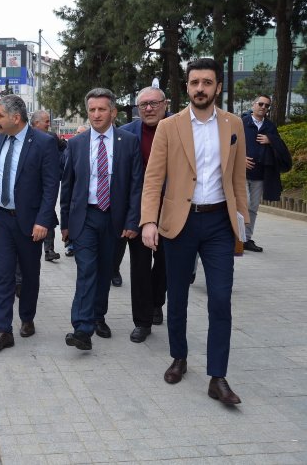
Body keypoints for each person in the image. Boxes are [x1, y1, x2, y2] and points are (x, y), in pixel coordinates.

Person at [141, 58, 248, 405]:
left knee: (220, 298)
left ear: (218, 87)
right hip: (180, 223)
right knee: (177, 296)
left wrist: (243, 224)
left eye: (207, 82)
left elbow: (238, 179)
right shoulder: (169, 126)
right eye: (194, 82)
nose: (200, 88)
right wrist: (149, 221)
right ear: (187, 87)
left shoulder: (233, 124)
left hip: (219, 224)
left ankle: (217, 376)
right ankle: (179, 357)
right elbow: (153, 179)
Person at [61, 88, 142, 351]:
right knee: (86, 270)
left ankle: (98, 316)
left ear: (113, 112)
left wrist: (132, 221)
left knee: (105, 270)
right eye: (92, 110)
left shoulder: (128, 142)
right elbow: (68, 185)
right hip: (85, 216)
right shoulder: (76, 143)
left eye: (101, 109)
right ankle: (82, 329)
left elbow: (136, 185)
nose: (96, 114)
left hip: (114, 218)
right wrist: (65, 223)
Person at [0, 95, 59, 350]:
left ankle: (27, 317)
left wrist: (43, 221)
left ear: (16, 118)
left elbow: (51, 186)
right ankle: (3, 330)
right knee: (3, 274)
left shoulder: (44, 143)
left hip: (30, 222)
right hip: (2, 220)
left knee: (29, 274)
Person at [119, 86, 169, 342]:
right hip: (138, 212)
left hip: (171, 211)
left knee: (164, 264)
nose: (148, 109)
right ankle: (142, 321)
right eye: (143, 105)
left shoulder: (178, 129)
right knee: (139, 267)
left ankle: (156, 301)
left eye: (154, 103)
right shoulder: (126, 134)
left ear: (165, 104)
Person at [242, 94, 292, 252]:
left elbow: (282, 149)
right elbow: (229, 143)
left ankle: (246, 239)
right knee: (244, 204)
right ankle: (236, 237)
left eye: (266, 105)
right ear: (253, 105)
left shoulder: (270, 127)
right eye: (260, 104)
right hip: (241, 174)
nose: (263, 107)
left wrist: (271, 140)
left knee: (253, 208)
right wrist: (240, 159)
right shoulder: (242, 123)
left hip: (260, 175)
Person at [30, 110, 61, 262]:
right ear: (36, 123)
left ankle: (49, 250)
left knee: (48, 218)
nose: (49, 124)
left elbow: (65, 149)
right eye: (46, 121)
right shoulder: (25, 137)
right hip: (30, 190)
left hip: (46, 188)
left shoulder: (52, 137)